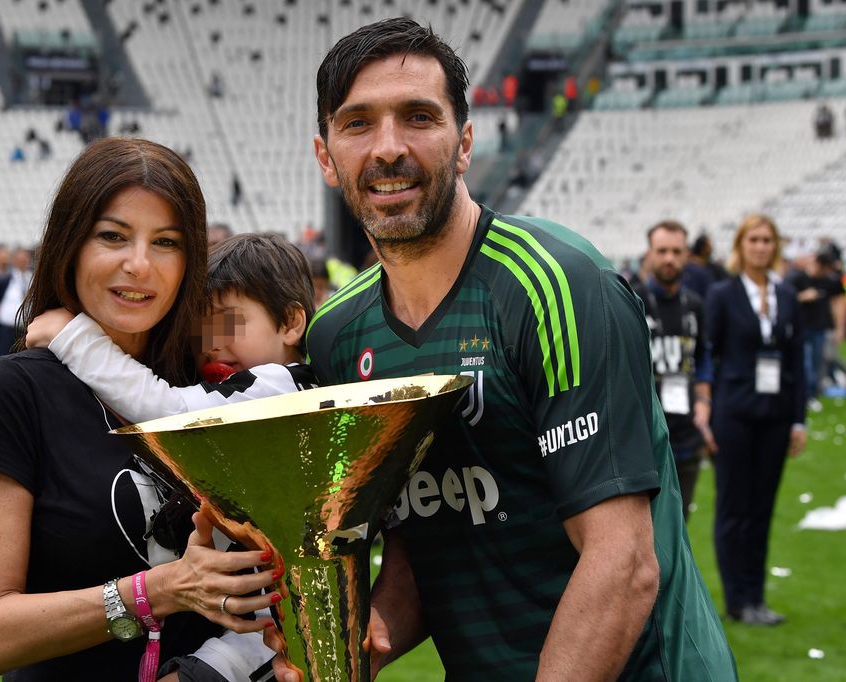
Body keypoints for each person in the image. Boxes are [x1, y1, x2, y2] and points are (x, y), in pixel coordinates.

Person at [288, 17, 737, 680]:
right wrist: (375, 631)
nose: (388, 148)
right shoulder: (336, 338)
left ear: (464, 143)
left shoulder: (555, 285)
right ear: (326, 157)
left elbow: (623, 564)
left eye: (418, 116)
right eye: (357, 123)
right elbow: (422, 538)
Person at [0, 138, 280, 681]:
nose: (139, 265)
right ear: (69, 245)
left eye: (166, 242)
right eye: (113, 236)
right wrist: (161, 591)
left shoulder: (208, 390)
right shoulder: (7, 394)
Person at [24, 232, 318, 421]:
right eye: (200, 328)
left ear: (290, 324)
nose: (210, 342)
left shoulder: (274, 384)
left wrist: (75, 338)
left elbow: (167, 410)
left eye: (227, 320)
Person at [706, 214, 807, 627]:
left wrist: (798, 420)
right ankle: (737, 599)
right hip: (733, 413)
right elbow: (707, 356)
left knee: (763, 508)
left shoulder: (786, 296)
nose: (761, 247)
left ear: (775, 246)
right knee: (735, 506)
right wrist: (706, 411)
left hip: (776, 416)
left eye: (768, 240)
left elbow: (797, 363)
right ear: (741, 246)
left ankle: (756, 596)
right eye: (754, 240)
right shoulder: (723, 294)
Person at [634, 221, 715, 521]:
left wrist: (705, 402)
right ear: (650, 253)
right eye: (662, 251)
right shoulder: (633, 301)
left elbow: (703, 355)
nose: (669, 258)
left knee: (680, 527)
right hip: (646, 437)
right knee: (647, 532)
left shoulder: (695, 305)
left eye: (676, 251)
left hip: (688, 436)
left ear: (686, 255)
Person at [785, 246, 845, 402]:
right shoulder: (797, 277)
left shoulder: (829, 281)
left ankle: (813, 392)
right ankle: (807, 394)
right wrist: (802, 297)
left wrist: (839, 327)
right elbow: (784, 300)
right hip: (802, 327)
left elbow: (838, 302)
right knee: (806, 362)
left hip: (820, 327)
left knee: (819, 362)